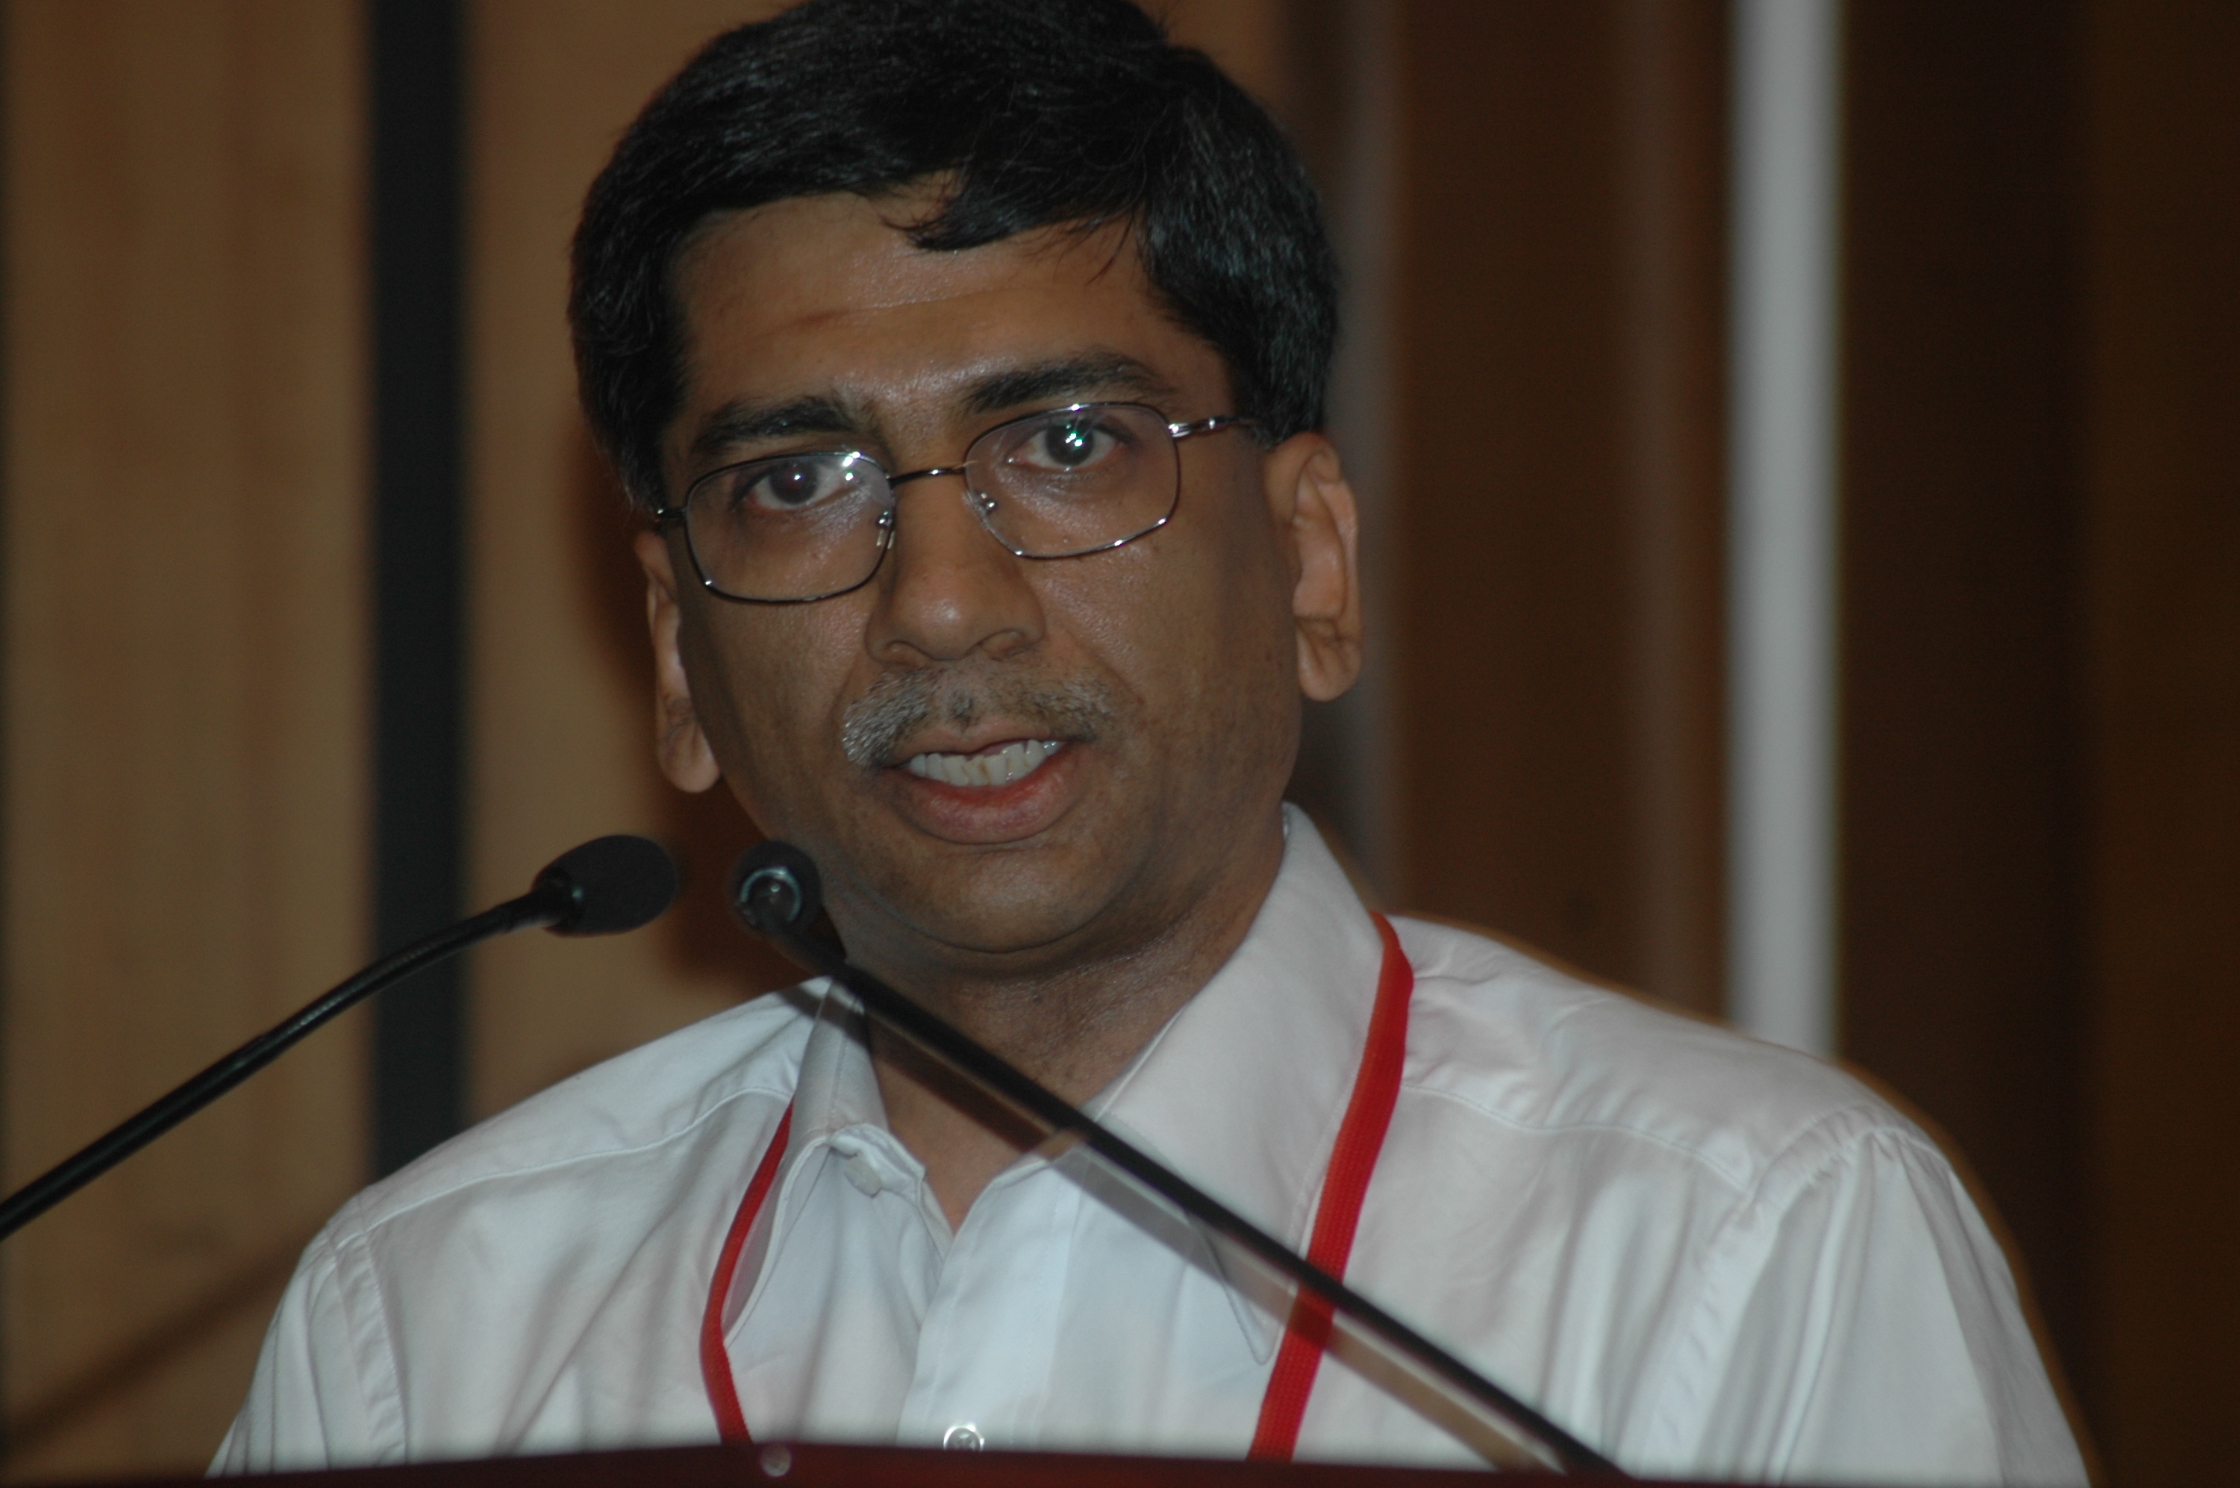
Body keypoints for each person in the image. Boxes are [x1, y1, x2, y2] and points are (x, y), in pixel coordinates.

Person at [218, 1, 2087, 1480]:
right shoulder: (430, 1332)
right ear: (679, 663)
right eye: (797, 481)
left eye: (1069, 446)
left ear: (1312, 561)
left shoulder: (1747, 1251)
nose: (942, 605)